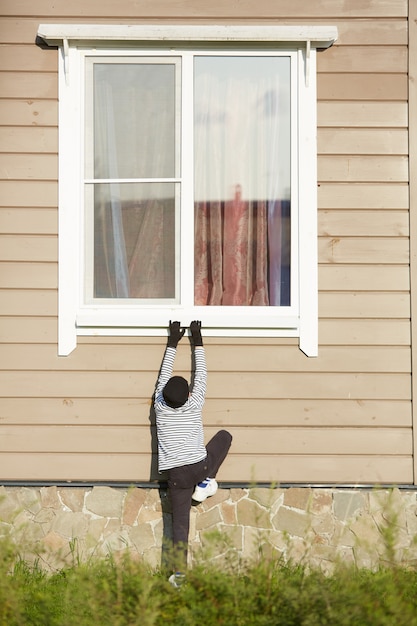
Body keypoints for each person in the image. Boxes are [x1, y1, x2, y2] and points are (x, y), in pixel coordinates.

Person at [154, 320, 232, 587]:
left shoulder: (160, 406)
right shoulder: (195, 402)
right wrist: (196, 339)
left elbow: (163, 377)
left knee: (179, 527)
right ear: (188, 395)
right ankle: (205, 482)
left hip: (176, 476)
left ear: (164, 397)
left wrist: (172, 342)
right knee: (224, 437)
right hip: (199, 466)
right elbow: (202, 375)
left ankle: (179, 576)